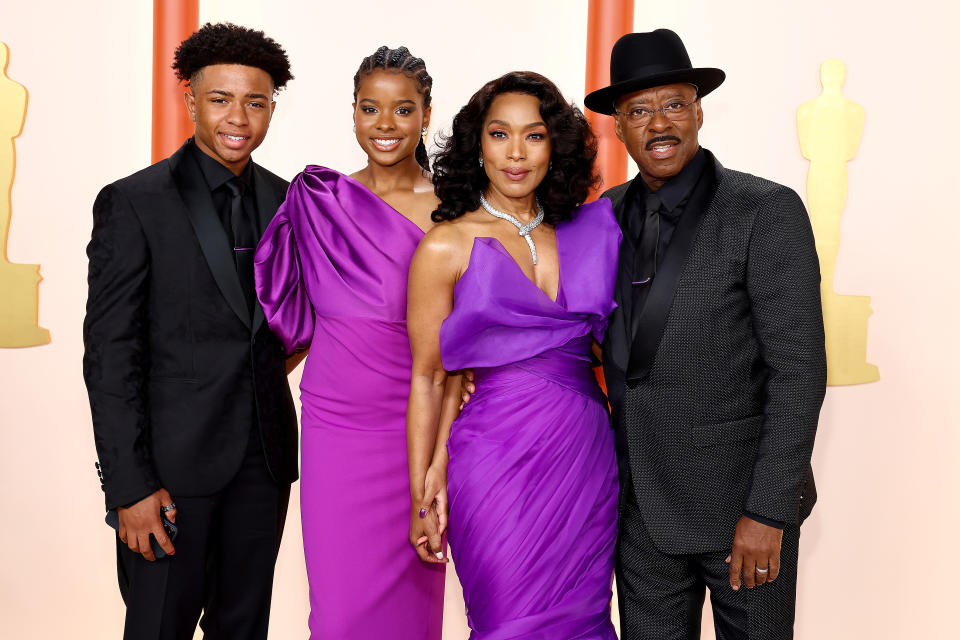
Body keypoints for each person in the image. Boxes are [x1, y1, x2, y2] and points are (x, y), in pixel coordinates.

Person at [583, 29, 827, 639]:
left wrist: (768, 510)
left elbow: (798, 370)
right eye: (639, 109)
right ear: (618, 125)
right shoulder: (602, 217)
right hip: (638, 513)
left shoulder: (763, 210)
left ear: (698, 110)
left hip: (742, 511)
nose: (658, 122)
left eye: (673, 103)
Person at [83, 23, 298, 640]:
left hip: (263, 465)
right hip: (167, 475)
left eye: (256, 102)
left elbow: (292, 322)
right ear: (190, 101)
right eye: (221, 99)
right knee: (157, 628)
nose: (239, 117)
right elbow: (109, 356)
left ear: (271, 109)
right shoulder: (135, 203)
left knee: (244, 629)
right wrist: (131, 485)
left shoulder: (289, 203)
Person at [407, 71, 621, 639]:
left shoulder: (593, 228)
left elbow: (617, 343)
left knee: (585, 621)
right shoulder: (445, 244)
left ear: (557, 145)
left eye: (534, 135)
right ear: (477, 144)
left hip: (584, 458)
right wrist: (422, 490)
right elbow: (428, 377)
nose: (516, 153)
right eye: (500, 135)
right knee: (508, 623)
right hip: (493, 460)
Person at [253, 46, 445, 639]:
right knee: (337, 612)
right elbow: (284, 313)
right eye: (370, 108)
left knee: (412, 605)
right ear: (353, 114)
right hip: (337, 427)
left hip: (418, 423)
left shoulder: (455, 211)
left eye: (403, 110)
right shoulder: (316, 202)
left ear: (426, 116)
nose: (385, 124)